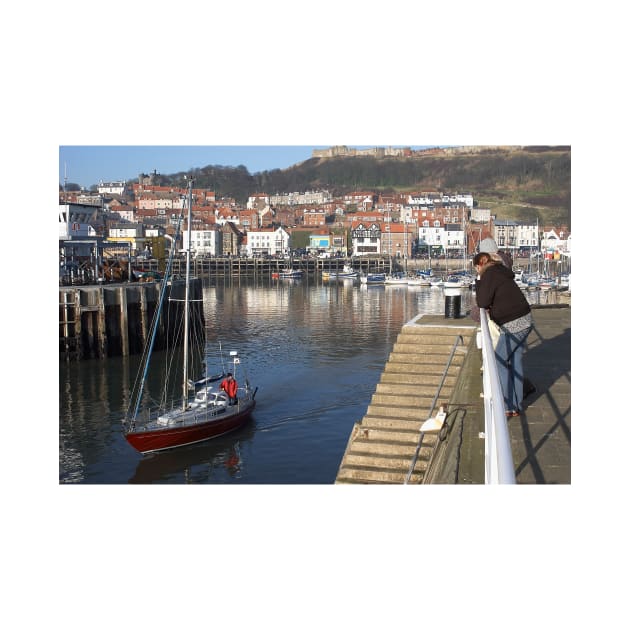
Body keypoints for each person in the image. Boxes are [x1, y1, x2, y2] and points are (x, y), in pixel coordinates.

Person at [473, 251, 532, 417]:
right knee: (515, 361)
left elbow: (482, 301)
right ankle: (516, 405)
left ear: (480, 265)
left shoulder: (489, 274)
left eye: (476, 269)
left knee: (499, 360)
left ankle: (507, 406)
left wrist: (478, 281)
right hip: (525, 319)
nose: (477, 272)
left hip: (514, 324)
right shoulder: (499, 270)